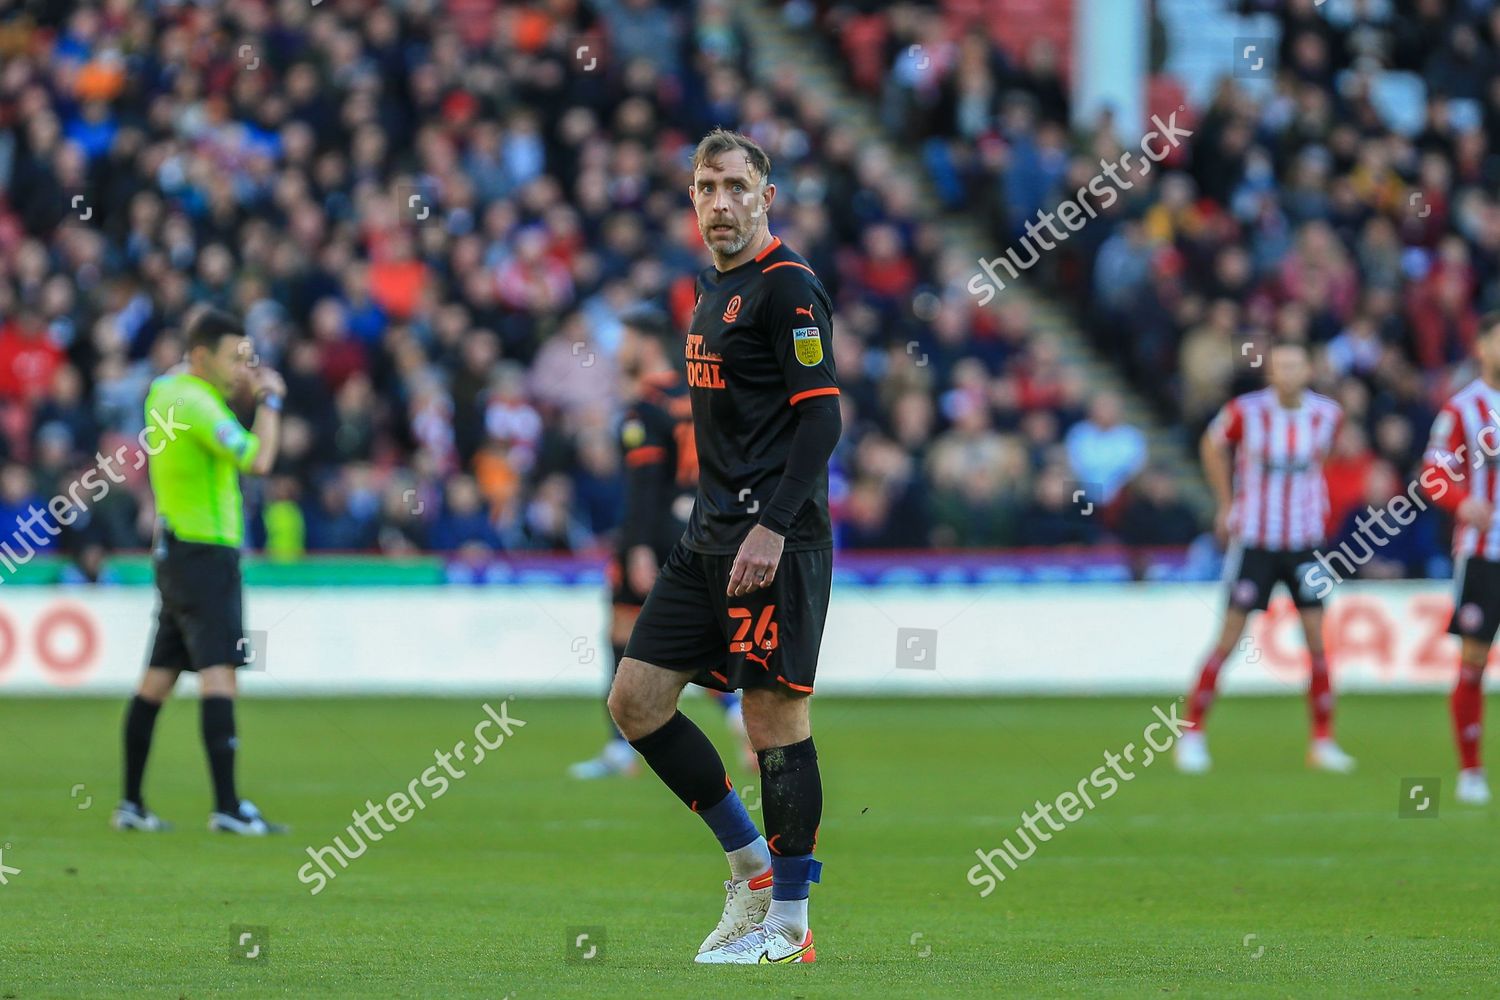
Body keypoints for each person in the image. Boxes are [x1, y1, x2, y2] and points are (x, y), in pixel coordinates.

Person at [606, 129, 840, 964]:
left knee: (775, 718)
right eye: (706, 188)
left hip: (777, 542)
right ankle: (748, 871)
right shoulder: (712, 289)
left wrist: (773, 527)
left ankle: (790, 921)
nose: (721, 202)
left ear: (766, 196)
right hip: (706, 542)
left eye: (737, 186)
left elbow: (823, 418)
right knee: (634, 701)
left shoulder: (789, 289)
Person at [110, 308, 289, 835]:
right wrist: (270, 400)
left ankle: (131, 804)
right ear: (203, 355)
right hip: (206, 555)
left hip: (175, 552)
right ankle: (228, 808)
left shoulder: (165, 391)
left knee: (156, 681)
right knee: (221, 674)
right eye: (235, 357)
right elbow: (257, 460)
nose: (243, 368)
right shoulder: (197, 404)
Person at [570, 308, 754, 779]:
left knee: (624, 634)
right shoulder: (697, 393)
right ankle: (736, 716)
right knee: (683, 635)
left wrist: (636, 548)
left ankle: (622, 749)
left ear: (648, 343)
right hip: (701, 526)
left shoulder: (646, 407)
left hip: (653, 535)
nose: (618, 350)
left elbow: (643, 487)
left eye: (625, 339)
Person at [1176, 341, 1357, 775]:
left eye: (1296, 365)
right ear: (1270, 373)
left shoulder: (1327, 414)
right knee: (1229, 636)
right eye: (1281, 367)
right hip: (1256, 540)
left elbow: (1325, 460)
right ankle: (1192, 734)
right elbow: (1211, 444)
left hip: (1305, 543)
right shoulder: (1246, 411)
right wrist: (1226, 502)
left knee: (1317, 639)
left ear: (1308, 370)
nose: (1289, 373)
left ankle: (1323, 741)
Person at [1420, 312, 1500, 806]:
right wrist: (1460, 502)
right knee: (1473, 662)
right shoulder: (1462, 410)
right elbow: (1432, 477)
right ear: (1482, 347)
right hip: (1484, 554)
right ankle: (1471, 772)